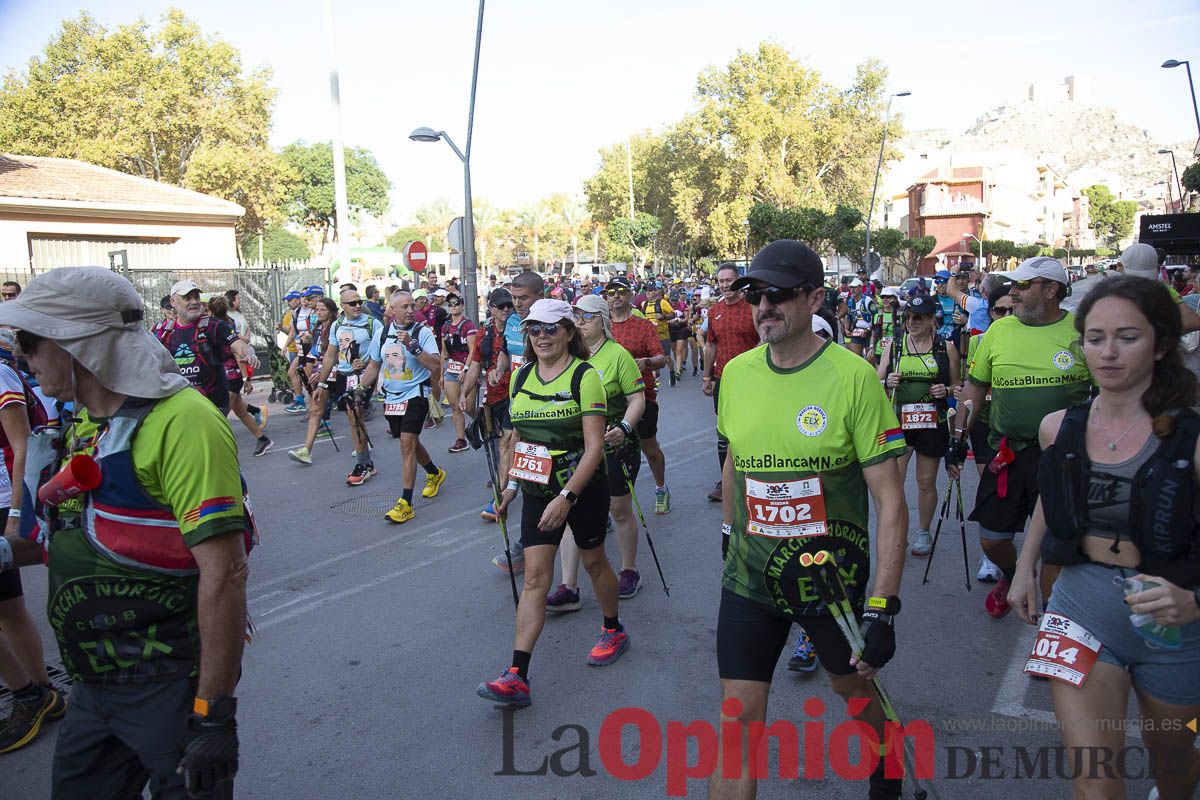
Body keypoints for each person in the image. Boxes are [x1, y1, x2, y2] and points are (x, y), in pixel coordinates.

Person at [0, 267, 252, 797]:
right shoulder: (85, 424)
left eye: (29, 339)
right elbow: (59, 541)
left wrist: (212, 715)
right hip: (92, 689)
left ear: (79, 344)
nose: (21, 353)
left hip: (168, 688)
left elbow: (225, 573)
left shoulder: (184, 421)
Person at [711, 241, 908, 799]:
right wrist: (729, 532)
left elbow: (891, 501)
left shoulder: (854, 377)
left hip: (831, 583)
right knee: (736, 723)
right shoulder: (739, 374)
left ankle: (886, 760)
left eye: (779, 294)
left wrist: (883, 607)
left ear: (815, 297)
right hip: (751, 579)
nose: (763, 305)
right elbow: (735, 460)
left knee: (855, 694)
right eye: (754, 294)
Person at [1009, 275, 1200, 800]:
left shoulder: (1191, 435)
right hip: (1081, 606)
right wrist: (1025, 568)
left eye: (1127, 337)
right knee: (1094, 780)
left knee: (1176, 765)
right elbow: (1055, 496)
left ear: (1160, 344)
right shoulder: (1058, 427)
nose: (1108, 353)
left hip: (1171, 621)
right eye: (1096, 338)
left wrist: (1192, 597)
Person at [475, 300, 626, 707]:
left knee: (594, 563)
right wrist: (508, 488)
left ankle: (613, 629)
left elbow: (595, 448)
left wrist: (567, 497)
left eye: (550, 328)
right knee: (536, 579)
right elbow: (518, 440)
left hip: (582, 487)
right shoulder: (520, 377)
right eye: (534, 329)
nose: (541, 336)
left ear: (568, 332)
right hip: (538, 489)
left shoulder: (585, 377)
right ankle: (516, 675)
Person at [952, 257, 1092, 618]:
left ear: (1051, 290)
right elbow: (975, 389)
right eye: (1013, 285)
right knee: (992, 539)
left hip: (1065, 459)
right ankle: (1014, 574)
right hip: (1009, 453)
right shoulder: (1000, 331)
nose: (1012, 292)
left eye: (1023, 286)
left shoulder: (1081, 329)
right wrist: (957, 439)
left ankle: (1049, 627)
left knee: (1054, 546)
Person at [547, 295, 646, 610]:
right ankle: (568, 585)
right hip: (578, 445)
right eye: (576, 316)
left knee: (618, 509)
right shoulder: (569, 355)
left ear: (602, 320)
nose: (579, 322)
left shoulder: (618, 356)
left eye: (586, 316)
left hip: (616, 442)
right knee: (569, 506)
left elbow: (637, 398)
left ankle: (629, 569)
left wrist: (625, 429)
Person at [0, 349, 63, 754]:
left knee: (8, 607)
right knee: (8, 606)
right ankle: (42, 691)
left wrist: (17, 513)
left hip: (4, 500)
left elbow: (22, 445)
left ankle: (28, 694)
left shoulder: (1, 376)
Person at [876, 295, 959, 556]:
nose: (911, 322)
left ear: (931, 320)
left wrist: (945, 389)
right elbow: (876, 383)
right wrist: (887, 381)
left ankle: (923, 531)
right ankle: (899, 531)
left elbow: (959, 386)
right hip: (900, 423)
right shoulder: (895, 346)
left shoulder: (946, 347)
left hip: (931, 423)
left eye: (918, 318)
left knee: (925, 482)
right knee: (895, 482)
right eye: (908, 317)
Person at [479, 271, 545, 568]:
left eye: (523, 298)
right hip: (517, 398)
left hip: (546, 404)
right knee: (512, 444)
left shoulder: (553, 324)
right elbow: (506, 353)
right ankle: (506, 497)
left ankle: (595, 512)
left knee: (542, 462)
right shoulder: (512, 324)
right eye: (513, 299)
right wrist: (499, 369)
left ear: (539, 296)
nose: (516, 305)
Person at [953, 284, 1013, 583]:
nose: (1007, 315)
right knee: (990, 487)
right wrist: (959, 437)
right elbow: (970, 389)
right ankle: (991, 558)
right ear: (990, 313)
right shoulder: (979, 342)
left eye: (1012, 310)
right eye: (1001, 310)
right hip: (987, 424)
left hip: (1021, 428)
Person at [302, 288, 383, 484]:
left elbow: (382, 353)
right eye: (352, 303)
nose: (357, 306)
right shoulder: (338, 325)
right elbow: (330, 355)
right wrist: (321, 383)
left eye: (359, 302)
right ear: (343, 306)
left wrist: (366, 363)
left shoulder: (373, 324)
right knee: (353, 417)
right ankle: (367, 462)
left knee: (355, 413)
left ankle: (362, 465)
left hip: (364, 375)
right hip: (344, 375)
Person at [607, 277, 672, 514]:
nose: (616, 296)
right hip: (610, 402)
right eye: (611, 292)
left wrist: (644, 362)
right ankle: (609, 504)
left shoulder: (644, 326)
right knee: (607, 453)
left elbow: (661, 360)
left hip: (641, 396)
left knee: (649, 449)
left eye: (621, 291)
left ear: (630, 295)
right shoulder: (601, 326)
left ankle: (661, 488)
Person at [157, 280, 259, 415]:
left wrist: (250, 353)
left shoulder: (214, 325)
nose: (194, 302)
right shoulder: (163, 331)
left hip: (213, 405)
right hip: (181, 405)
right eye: (187, 298)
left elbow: (239, 345)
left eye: (196, 297)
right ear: (173, 302)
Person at [703, 264, 760, 503]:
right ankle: (726, 480)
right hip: (722, 380)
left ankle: (753, 476)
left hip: (751, 380)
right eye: (721, 281)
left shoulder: (753, 308)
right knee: (724, 432)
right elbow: (711, 345)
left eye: (730, 281)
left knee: (751, 428)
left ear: (739, 282)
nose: (725, 285)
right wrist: (707, 377)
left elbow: (764, 341)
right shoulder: (714, 311)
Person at [461, 288, 516, 528]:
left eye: (509, 306)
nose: (506, 310)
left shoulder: (521, 329)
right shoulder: (484, 333)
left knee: (506, 444)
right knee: (498, 444)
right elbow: (475, 367)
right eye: (501, 306)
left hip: (519, 396)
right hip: (493, 398)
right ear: (491, 308)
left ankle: (500, 499)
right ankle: (505, 484)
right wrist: (464, 394)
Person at [208, 296, 272, 457]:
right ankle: (262, 439)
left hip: (231, 377)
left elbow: (238, 354)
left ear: (209, 310)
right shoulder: (222, 324)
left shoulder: (219, 328)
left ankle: (219, 451)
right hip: (228, 375)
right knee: (241, 412)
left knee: (219, 416)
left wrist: (246, 379)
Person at [287, 297, 339, 464]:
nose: (318, 312)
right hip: (323, 374)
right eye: (317, 309)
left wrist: (325, 367)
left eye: (322, 310)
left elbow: (337, 354)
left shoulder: (337, 327)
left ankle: (362, 445)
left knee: (353, 412)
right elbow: (316, 352)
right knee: (316, 410)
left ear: (331, 311)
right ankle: (306, 450)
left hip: (339, 372)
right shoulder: (317, 328)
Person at [440, 292, 478, 453]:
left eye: (457, 303)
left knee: (469, 407)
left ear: (462, 305)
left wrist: (466, 369)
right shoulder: (446, 326)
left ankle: (482, 423)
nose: (454, 306)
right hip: (451, 369)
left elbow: (473, 350)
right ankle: (461, 439)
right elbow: (444, 352)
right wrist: (441, 375)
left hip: (466, 368)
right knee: (455, 407)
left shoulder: (468, 326)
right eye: (451, 304)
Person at [283, 286, 323, 414]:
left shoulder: (317, 312)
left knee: (310, 379)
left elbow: (319, 332)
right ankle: (304, 403)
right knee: (294, 373)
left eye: (308, 297)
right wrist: (285, 346)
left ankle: (317, 410)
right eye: (303, 296)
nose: (305, 299)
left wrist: (310, 339)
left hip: (314, 349)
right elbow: (292, 331)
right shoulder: (298, 312)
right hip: (302, 348)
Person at [639, 282, 678, 385]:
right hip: (650, 337)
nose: (648, 292)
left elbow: (673, 314)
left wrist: (663, 317)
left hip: (663, 335)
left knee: (667, 358)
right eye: (646, 290)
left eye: (650, 290)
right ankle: (654, 381)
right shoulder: (644, 304)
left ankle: (672, 372)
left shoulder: (662, 303)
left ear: (656, 291)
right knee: (652, 359)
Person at [842, 278, 876, 357]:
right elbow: (848, 316)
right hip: (856, 331)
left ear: (860, 288)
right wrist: (846, 329)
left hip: (869, 332)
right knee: (856, 357)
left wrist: (868, 330)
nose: (852, 290)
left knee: (870, 358)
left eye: (855, 287)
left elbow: (875, 316)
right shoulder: (850, 301)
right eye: (851, 288)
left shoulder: (867, 300)